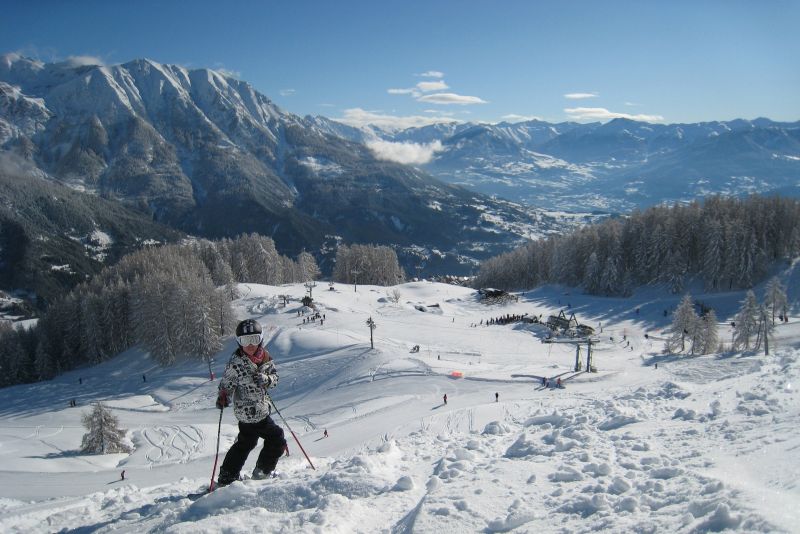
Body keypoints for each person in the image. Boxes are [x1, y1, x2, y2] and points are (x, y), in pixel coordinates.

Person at [216, 319, 287, 486]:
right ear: (238, 342)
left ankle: (228, 476)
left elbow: (275, 378)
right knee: (276, 438)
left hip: (259, 407)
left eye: (254, 339)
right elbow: (227, 382)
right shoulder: (236, 363)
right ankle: (262, 471)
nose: (250, 345)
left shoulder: (266, 357)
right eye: (244, 341)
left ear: (261, 339)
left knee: (246, 442)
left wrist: (266, 379)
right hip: (251, 411)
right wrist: (224, 395)